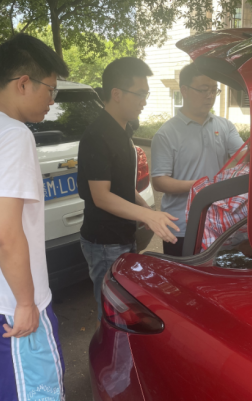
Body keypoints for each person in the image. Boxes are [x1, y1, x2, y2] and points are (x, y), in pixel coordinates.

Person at [0, 33, 68, 401]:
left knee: (6, 389)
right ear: (23, 83)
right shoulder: (13, 135)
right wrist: (25, 303)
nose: (52, 100)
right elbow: (4, 232)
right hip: (9, 305)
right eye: (50, 89)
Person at [77, 57, 179, 320]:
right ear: (117, 94)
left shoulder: (123, 130)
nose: (144, 100)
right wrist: (147, 215)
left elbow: (122, 185)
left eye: (147, 94)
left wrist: (146, 211)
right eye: (140, 94)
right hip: (104, 242)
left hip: (123, 235)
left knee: (126, 309)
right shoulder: (97, 135)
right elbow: (101, 197)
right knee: (112, 314)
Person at [151, 63, 245, 257]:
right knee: (183, 275)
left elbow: (244, 156)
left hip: (219, 222)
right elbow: (159, 181)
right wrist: (202, 186)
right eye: (203, 90)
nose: (210, 96)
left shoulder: (225, 126)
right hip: (181, 227)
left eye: (214, 90)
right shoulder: (166, 133)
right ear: (184, 91)